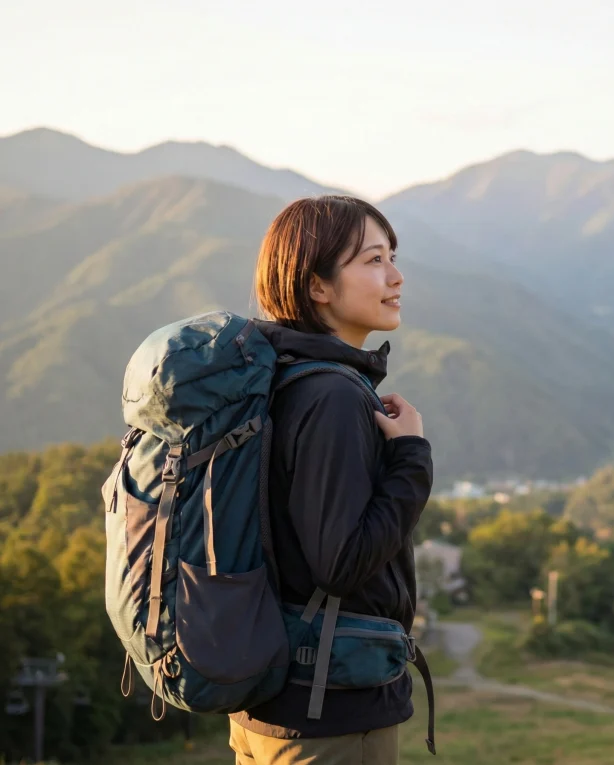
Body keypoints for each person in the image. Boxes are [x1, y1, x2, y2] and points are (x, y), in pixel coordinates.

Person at [228, 196, 433, 765]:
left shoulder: (277, 378)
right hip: (330, 714)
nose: (395, 277)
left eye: (392, 257)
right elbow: (340, 563)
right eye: (372, 261)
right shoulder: (333, 397)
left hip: (273, 702)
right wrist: (412, 456)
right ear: (318, 286)